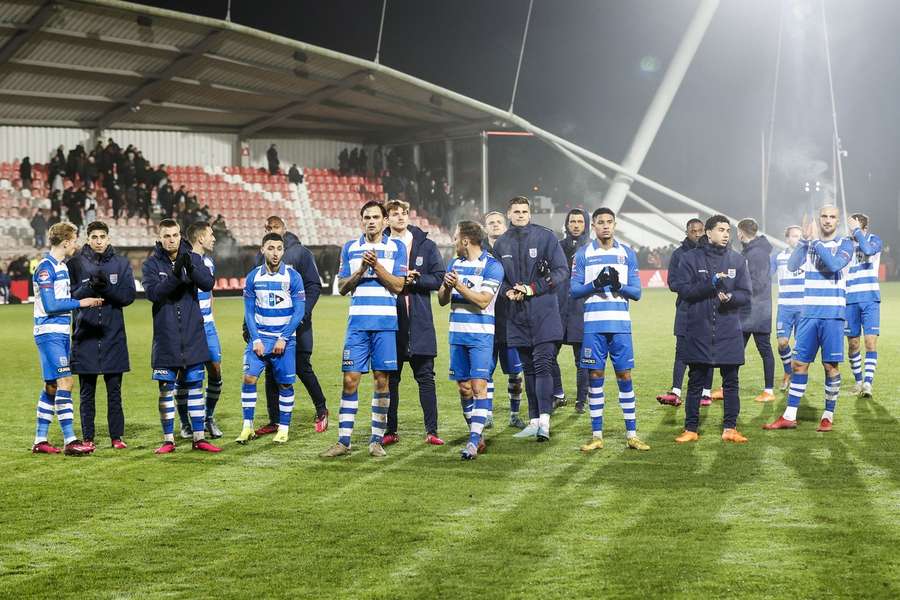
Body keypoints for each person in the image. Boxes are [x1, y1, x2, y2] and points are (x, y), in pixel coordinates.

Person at [320, 201, 406, 458]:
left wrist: (377, 267)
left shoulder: (396, 247)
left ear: (384, 221)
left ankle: (376, 440)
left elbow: (399, 286)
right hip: (357, 326)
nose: (371, 221)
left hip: (385, 325)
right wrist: (361, 269)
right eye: (366, 217)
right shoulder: (350, 248)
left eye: (376, 217)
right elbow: (344, 286)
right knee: (350, 380)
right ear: (361, 221)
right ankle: (343, 441)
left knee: (382, 381)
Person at [764, 205, 854, 432]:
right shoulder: (810, 245)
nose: (827, 220)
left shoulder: (845, 244)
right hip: (808, 314)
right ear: (818, 219)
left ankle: (827, 415)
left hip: (833, 315)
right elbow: (793, 266)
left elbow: (834, 265)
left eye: (832, 217)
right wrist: (804, 241)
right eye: (824, 216)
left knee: (829, 366)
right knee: (798, 364)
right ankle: (789, 415)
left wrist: (813, 242)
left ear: (837, 221)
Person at [570, 208, 650, 452]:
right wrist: (595, 284)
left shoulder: (626, 254)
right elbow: (574, 291)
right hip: (593, 326)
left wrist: (618, 285)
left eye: (609, 222)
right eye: (600, 222)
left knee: (625, 377)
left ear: (615, 225)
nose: (605, 226)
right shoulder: (583, 254)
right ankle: (596, 436)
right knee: (595, 379)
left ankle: (632, 435)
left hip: (620, 326)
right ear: (593, 225)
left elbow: (636, 293)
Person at [492, 196, 568, 442]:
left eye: (525, 211)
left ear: (530, 213)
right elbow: (497, 279)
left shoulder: (546, 237)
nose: (521, 215)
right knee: (528, 370)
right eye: (516, 211)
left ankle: (544, 422)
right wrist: (508, 291)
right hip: (516, 316)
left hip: (544, 313)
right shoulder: (501, 244)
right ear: (509, 214)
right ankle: (534, 421)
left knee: (543, 365)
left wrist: (533, 288)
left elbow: (561, 271)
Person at [669, 215, 751, 443]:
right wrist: (711, 284)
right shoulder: (689, 258)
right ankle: (691, 429)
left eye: (728, 230)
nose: (726, 234)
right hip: (699, 329)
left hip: (728, 330)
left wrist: (731, 297)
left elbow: (746, 294)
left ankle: (730, 428)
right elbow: (684, 291)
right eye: (721, 230)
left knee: (731, 382)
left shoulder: (737, 260)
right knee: (696, 381)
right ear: (708, 232)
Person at [142, 219, 220, 453]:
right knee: (166, 387)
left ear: (180, 235)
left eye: (175, 235)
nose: (172, 239)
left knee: (195, 385)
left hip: (192, 332)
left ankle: (199, 437)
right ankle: (168, 440)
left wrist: (192, 264)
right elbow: (154, 293)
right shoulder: (151, 265)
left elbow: (207, 283)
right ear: (160, 237)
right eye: (166, 236)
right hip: (166, 336)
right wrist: (177, 274)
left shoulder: (192, 257)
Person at [30, 223, 103, 455]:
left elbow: (62, 298)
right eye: (74, 240)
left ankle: (40, 440)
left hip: (60, 332)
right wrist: (82, 303)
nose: (76, 244)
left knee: (51, 385)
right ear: (65, 242)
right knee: (66, 382)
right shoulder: (46, 268)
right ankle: (70, 441)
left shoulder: (61, 267)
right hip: (49, 331)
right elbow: (51, 305)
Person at [254, 216, 328, 435]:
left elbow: (314, 286)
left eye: (276, 227)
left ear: (284, 229)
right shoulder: (261, 256)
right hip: (269, 325)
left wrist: (302, 314)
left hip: (299, 325)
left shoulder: (301, 253)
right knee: (270, 369)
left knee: (302, 366)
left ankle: (321, 408)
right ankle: (275, 420)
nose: (272, 230)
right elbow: (254, 293)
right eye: (268, 227)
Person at [438, 221, 504, 459]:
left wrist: (458, 285)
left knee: (478, 387)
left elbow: (484, 300)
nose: (453, 242)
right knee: (464, 389)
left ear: (465, 240)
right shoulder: (455, 263)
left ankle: (473, 442)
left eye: (456, 237)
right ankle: (477, 435)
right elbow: (442, 300)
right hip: (457, 333)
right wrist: (446, 287)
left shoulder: (492, 266)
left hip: (481, 335)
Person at [383, 200, 446, 446]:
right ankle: (390, 430)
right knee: (391, 380)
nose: (400, 217)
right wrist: (398, 279)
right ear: (387, 219)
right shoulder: (381, 245)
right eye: (395, 214)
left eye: (404, 213)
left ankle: (432, 431)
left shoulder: (426, 246)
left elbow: (439, 279)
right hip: (391, 323)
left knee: (426, 379)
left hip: (420, 324)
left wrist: (414, 281)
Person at [68, 221, 136, 449]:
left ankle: (116, 437)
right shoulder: (75, 263)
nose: (98, 241)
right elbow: (70, 297)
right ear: (87, 239)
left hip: (113, 336)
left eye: (102, 237)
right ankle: (88, 437)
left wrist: (105, 287)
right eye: (94, 237)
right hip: (84, 336)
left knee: (114, 391)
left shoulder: (121, 263)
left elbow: (128, 297)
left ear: (108, 239)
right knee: (87, 392)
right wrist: (89, 286)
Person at [235, 233, 306, 444]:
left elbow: (299, 311)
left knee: (285, 385)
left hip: (284, 340)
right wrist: (255, 339)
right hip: (260, 338)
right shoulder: (253, 277)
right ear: (262, 249)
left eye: (279, 249)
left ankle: (283, 428)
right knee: (249, 378)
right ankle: (247, 427)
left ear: (283, 251)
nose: (275, 253)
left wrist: (283, 338)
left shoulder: (293, 277)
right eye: (271, 248)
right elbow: (248, 312)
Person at [174, 222, 224, 439]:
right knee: (184, 376)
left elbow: (209, 293)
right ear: (200, 238)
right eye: (211, 235)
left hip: (208, 326)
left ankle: (208, 417)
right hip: (188, 328)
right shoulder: (183, 262)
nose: (214, 238)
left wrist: (210, 318)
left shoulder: (209, 262)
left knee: (215, 370)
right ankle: (186, 422)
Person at [657, 218, 709, 407]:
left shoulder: (711, 252)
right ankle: (676, 391)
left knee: (707, 350)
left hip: (706, 308)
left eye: (699, 230)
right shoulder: (679, 254)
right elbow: (672, 283)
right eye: (692, 231)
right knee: (682, 350)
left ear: (705, 231)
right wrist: (693, 289)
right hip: (686, 308)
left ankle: (706, 393)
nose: (696, 234)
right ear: (686, 232)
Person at [484, 211, 525, 428]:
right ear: (486, 228)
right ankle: (488, 415)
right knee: (486, 371)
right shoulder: (480, 253)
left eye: (499, 222)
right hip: (486, 321)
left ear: (505, 225)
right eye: (491, 223)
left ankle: (514, 414)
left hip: (511, 319)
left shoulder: (514, 250)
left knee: (515, 373)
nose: (496, 225)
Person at [736, 218, 776, 403]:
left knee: (764, 349)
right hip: (750, 309)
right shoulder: (753, 251)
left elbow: (758, 282)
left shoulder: (757, 253)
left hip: (757, 309)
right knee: (735, 349)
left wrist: (737, 287)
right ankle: (727, 386)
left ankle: (769, 391)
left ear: (741, 232)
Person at [556, 208, 590, 413]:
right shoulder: (557, 247)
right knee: (549, 355)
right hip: (558, 309)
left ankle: (581, 400)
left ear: (586, 224)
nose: (576, 225)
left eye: (580, 221)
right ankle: (558, 394)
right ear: (567, 224)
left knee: (582, 360)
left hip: (581, 310)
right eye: (572, 221)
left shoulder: (592, 249)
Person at [844, 213, 882, 398]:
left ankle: (868, 383)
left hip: (870, 299)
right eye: (850, 228)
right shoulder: (845, 243)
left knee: (870, 342)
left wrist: (856, 231)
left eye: (856, 227)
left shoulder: (874, 240)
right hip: (849, 299)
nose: (851, 231)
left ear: (864, 229)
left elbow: (867, 250)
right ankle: (858, 381)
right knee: (853, 345)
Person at [771, 225, 805, 391]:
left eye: (799, 236)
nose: (796, 239)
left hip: (804, 308)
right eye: (793, 236)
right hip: (784, 307)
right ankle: (787, 372)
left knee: (801, 347)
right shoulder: (778, 256)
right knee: (782, 343)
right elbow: (765, 275)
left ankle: (797, 378)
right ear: (787, 238)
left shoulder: (808, 256)